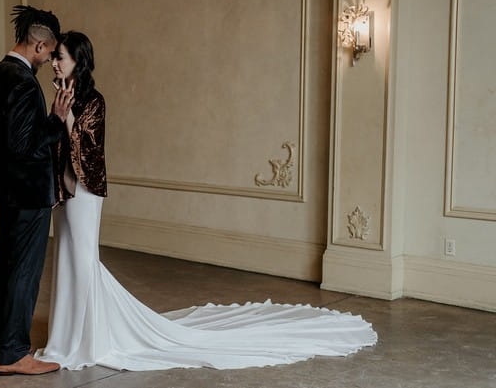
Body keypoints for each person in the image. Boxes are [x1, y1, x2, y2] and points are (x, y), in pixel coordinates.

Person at [35, 31, 378, 372]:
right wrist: (58, 114)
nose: (54, 62)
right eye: (54, 57)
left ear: (78, 62)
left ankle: (88, 341)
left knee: (82, 260)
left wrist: (64, 116)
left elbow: (89, 151)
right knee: (66, 256)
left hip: (84, 189)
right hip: (62, 190)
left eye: (60, 56)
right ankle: (66, 338)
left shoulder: (95, 100)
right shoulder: (63, 95)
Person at [0, 5, 75, 376]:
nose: (50, 60)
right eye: (49, 52)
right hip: (29, 193)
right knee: (24, 270)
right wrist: (55, 120)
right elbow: (24, 145)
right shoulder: (21, 81)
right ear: (39, 45)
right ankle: (13, 352)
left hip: (6, 190)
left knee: (5, 264)